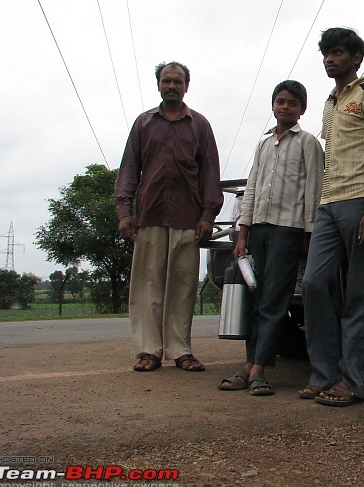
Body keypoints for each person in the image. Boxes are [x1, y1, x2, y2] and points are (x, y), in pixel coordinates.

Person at [300, 27, 364, 407]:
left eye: (337, 53)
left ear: (356, 58)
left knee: (361, 293)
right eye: (325, 53)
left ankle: (355, 382)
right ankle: (324, 375)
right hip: (328, 204)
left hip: (360, 201)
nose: (329, 59)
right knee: (313, 284)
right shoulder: (328, 102)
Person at [115, 61, 223, 373]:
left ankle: (180, 350)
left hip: (189, 217)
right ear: (159, 85)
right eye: (167, 80)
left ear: (186, 86)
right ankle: (148, 350)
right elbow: (129, 169)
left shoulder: (199, 125)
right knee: (147, 284)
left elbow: (210, 174)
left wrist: (207, 216)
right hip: (149, 215)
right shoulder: (144, 123)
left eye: (177, 81)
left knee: (183, 285)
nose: (172, 85)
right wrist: (125, 212)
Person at [219, 80, 323, 396]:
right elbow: (252, 189)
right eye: (280, 101)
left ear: (302, 109)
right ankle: (251, 364)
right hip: (259, 230)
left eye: (292, 103)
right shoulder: (264, 145)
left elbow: (313, 192)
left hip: (288, 230)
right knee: (255, 298)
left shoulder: (308, 143)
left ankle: (259, 369)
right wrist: (242, 232)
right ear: (273, 105)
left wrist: (308, 234)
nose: (285, 107)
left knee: (274, 301)